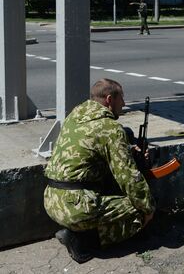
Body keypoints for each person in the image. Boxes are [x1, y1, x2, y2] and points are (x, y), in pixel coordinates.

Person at [43, 78, 155, 263]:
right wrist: (149, 209)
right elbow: (128, 177)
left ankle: (77, 232)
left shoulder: (75, 115)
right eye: (122, 99)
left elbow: (88, 154)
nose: (124, 104)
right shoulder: (110, 128)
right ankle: (83, 240)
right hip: (76, 207)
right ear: (110, 99)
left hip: (52, 200)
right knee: (139, 210)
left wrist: (129, 151)